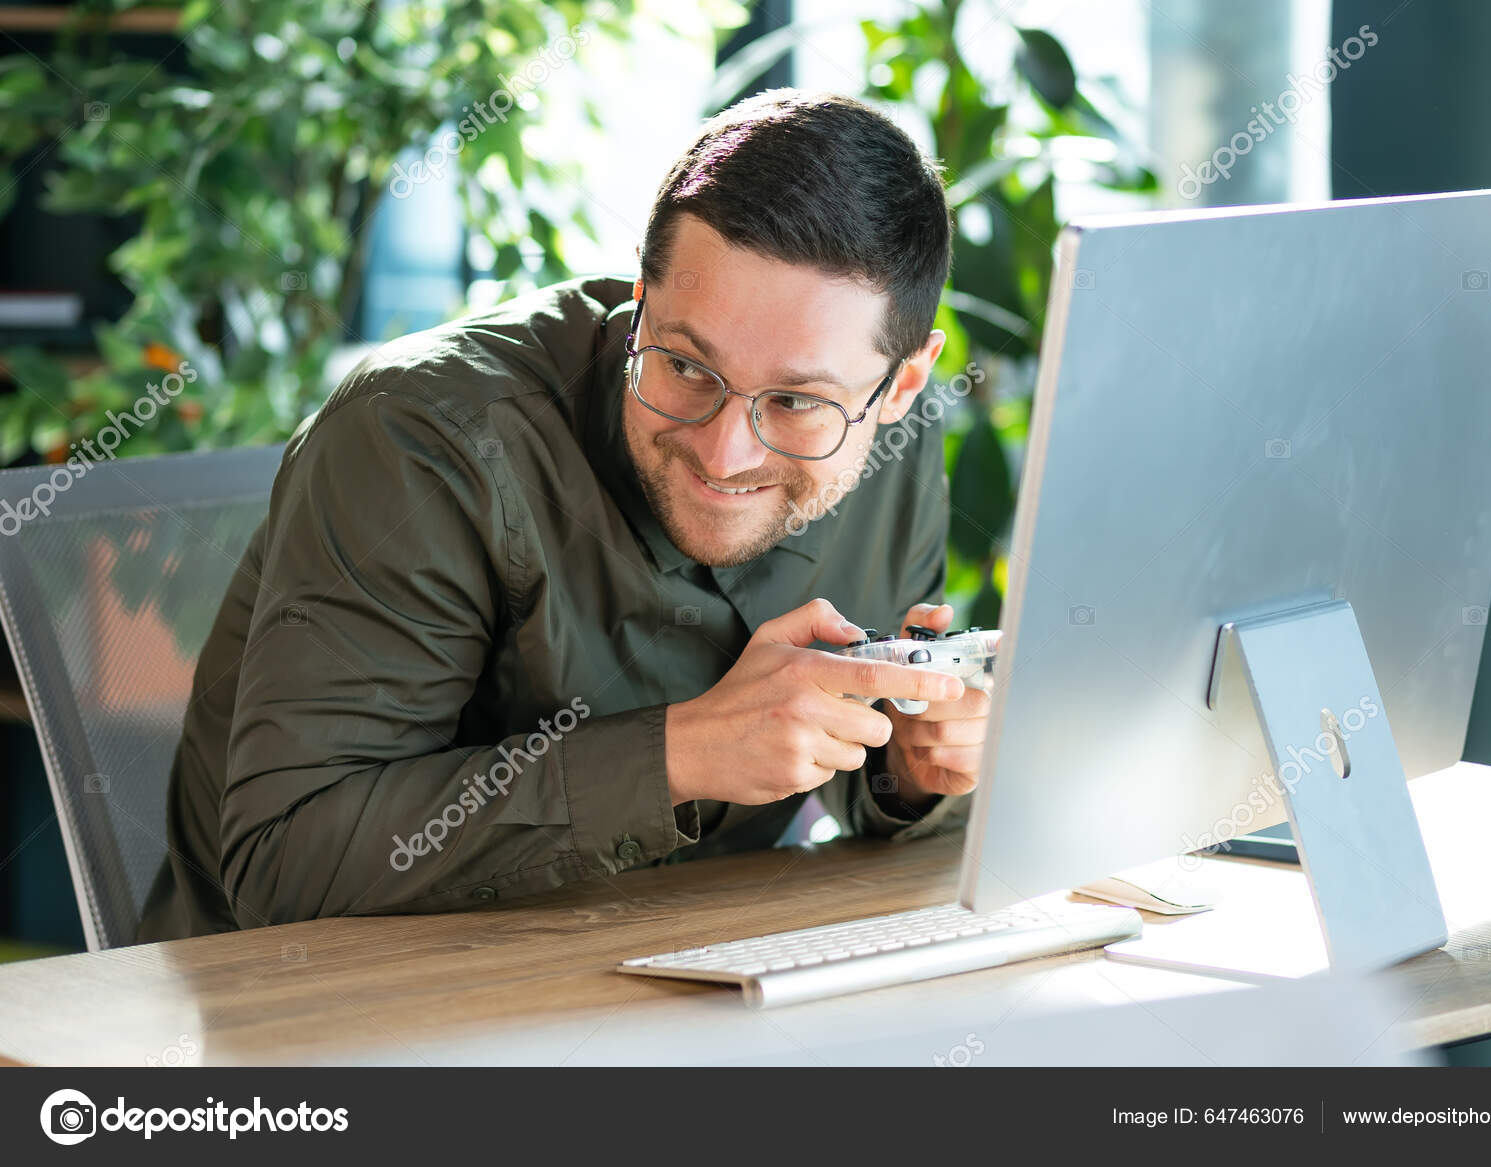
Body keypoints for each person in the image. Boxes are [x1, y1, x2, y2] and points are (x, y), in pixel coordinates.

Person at [137, 89, 990, 941]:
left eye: (799, 402)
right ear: (641, 295)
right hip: (317, 1023)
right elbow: (284, 865)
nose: (726, 452)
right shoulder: (420, 441)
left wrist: (904, 773)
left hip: (675, 983)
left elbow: (852, 755)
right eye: (687, 366)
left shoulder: (893, 439)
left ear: (900, 386)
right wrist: (680, 752)